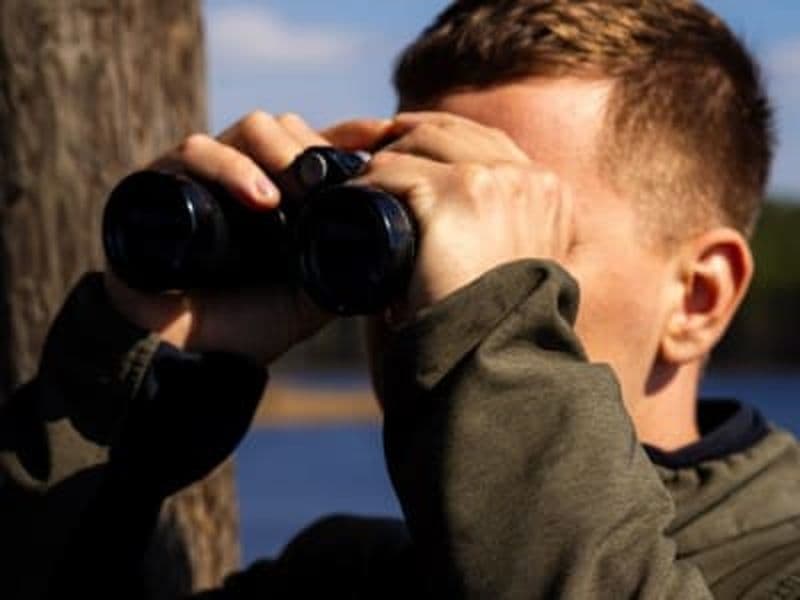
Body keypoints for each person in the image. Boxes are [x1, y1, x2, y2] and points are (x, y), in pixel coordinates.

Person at [1, 0, 797, 598]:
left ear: (700, 297)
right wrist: (121, 393)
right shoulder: (344, 579)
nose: (432, 282)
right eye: (417, 220)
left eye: (512, 236)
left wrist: (492, 317)